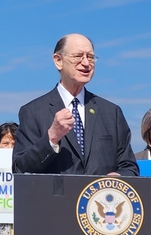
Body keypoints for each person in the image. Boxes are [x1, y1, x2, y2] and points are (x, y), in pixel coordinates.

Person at [13, 34, 139, 178]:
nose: (86, 63)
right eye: (78, 56)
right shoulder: (33, 112)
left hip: (100, 198)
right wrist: (51, 137)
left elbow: (129, 166)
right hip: (55, 200)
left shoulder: (112, 113)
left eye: (90, 57)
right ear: (58, 61)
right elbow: (20, 170)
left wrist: (118, 176)